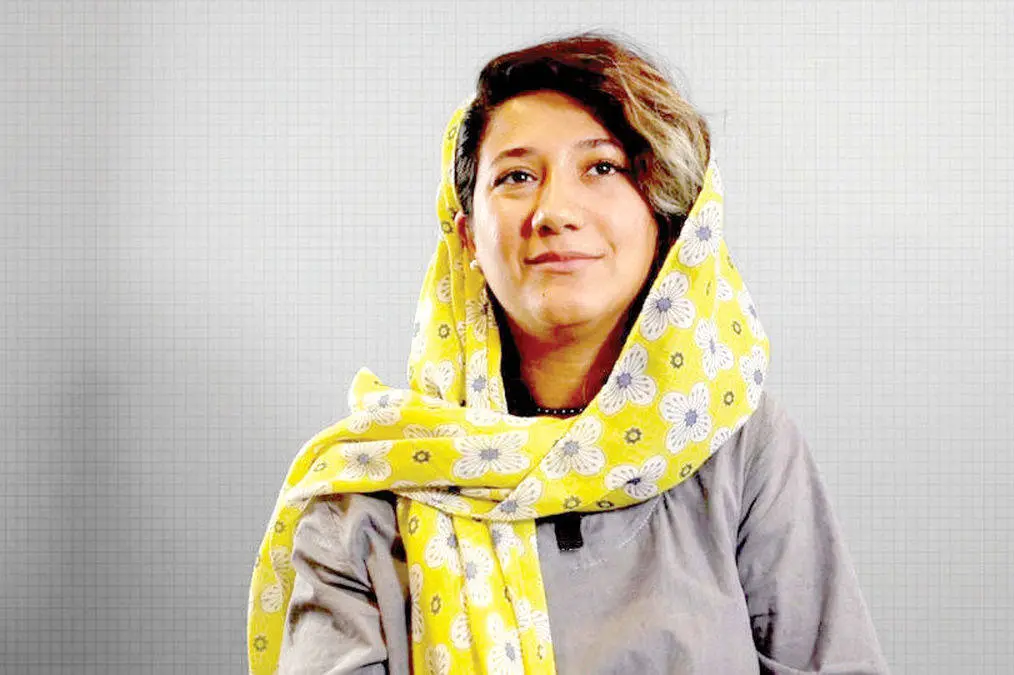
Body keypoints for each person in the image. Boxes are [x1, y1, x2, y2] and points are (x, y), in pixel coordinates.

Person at [247, 32, 890, 675]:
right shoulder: (369, 486)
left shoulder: (739, 446)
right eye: (517, 176)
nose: (555, 211)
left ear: (664, 214)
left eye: (602, 168)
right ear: (467, 236)